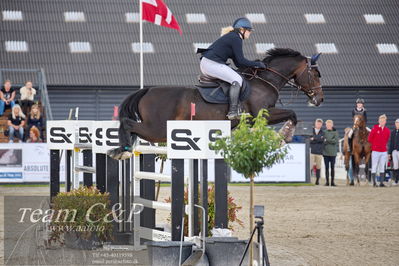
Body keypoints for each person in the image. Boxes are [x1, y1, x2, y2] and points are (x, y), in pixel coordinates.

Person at [197, 18, 266, 120]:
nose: (250, 33)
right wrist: (257, 64)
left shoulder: (233, 37)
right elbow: (242, 61)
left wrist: (253, 65)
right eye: (249, 30)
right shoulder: (235, 38)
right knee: (237, 80)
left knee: (236, 76)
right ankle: (233, 111)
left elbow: (238, 63)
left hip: (209, 63)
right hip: (211, 64)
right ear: (242, 30)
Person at [368, 114, 391, 187]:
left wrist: (383, 146)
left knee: (382, 167)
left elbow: (386, 140)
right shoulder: (374, 128)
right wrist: (375, 145)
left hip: (383, 151)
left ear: (385, 122)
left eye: (384, 121)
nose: (382, 122)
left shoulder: (387, 130)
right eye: (381, 120)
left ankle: (381, 183)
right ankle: (374, 183)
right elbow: (369, 139)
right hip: (375, 151)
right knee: (374, 166)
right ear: (378, 121)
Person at [323, 120, 339, 186]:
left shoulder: (335, 132)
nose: (329, 126)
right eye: (327, 125)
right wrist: (331, 140)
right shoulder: (324, 132)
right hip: (325, 153)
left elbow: (335, 141)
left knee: (332, 168)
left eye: (330, 125)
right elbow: (323, 141)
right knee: (326, 168)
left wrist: (327, 140)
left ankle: (332, 182)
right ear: (326, 125)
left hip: (333, 153)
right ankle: (327, 182)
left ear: (332, 125)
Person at [310, 118, 324, 185]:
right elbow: (310, 140)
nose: (318, 124)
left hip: (319, 152)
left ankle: (317, 180)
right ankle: (309, 180)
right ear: (315, 123)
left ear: (321, 125)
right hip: (312, 151)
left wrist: (314, 138)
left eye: (320, 123)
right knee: (310, 166)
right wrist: (318, 138)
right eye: (317, 123)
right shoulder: (311, 131)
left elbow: (322, 140)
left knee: (318, 167)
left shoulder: (323, 132)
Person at [389, 118, 399, 185]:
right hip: (394, 151)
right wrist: (389, 153)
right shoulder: (393, 132)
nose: (397, 124)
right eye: (396, 123)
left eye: (398, 123)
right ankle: (396, 181)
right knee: (395, 166)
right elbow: (391, 143)